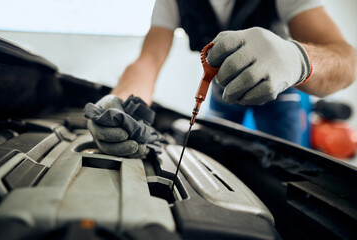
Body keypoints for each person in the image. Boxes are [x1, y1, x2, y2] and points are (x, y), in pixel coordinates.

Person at [85, 0, 356, 158]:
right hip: (223, 89)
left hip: (284, 91)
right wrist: (121, 100)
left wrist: (296, 59)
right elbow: (149, 59)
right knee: (218, 157)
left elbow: (347, 62)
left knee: (286, 167)